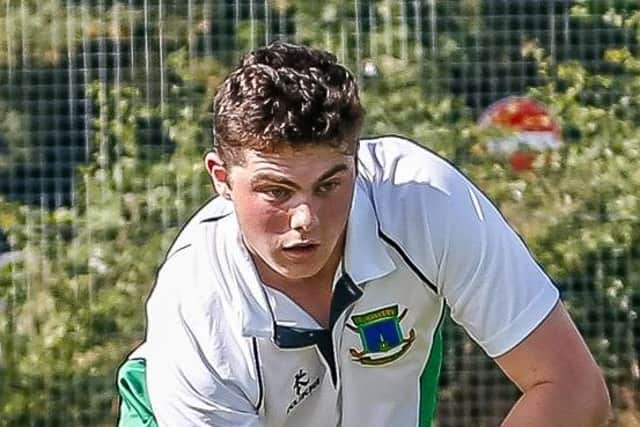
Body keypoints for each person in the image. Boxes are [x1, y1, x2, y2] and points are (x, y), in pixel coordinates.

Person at [116, 42, 611, 427]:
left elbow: (572, 388)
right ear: (221, 179)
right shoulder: (196, 303)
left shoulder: (423, 203)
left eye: (330, 184)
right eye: (276, 191)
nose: (305, 217)